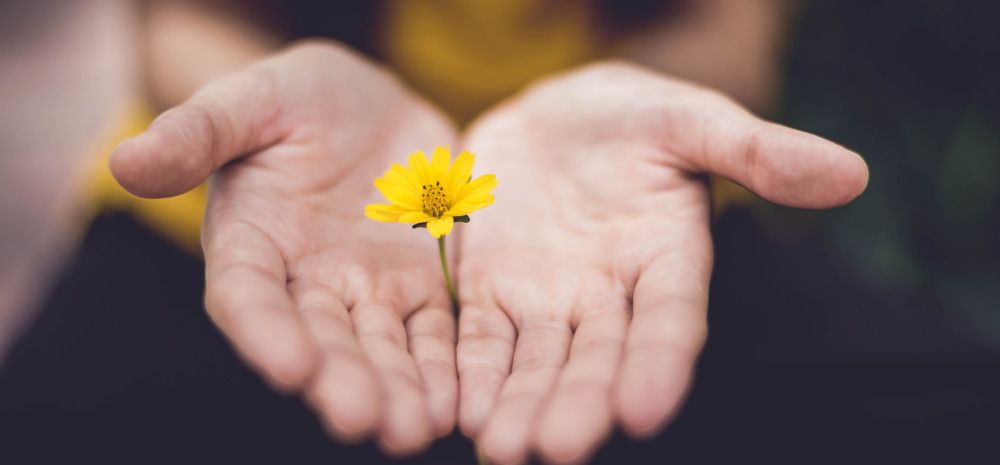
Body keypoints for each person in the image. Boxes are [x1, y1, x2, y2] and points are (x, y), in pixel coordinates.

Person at [105, 4, 866, 465]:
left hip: (616, 220)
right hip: (268, 213)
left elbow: (724, 31)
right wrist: (255, 101)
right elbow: (183, 15)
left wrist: (644, 101)